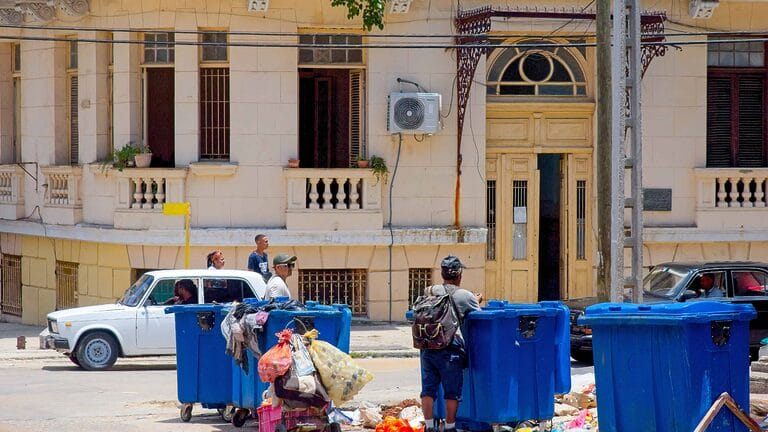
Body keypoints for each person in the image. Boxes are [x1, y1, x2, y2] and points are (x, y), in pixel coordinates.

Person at [419, 255, 483, 432]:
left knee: (428, 389)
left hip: (427, 345)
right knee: (452, 391)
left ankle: (430, 426)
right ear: (459, 274)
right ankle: (449, 426)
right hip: (450, 348)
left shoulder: (429, 291)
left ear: (442, 273)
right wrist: (476, 301)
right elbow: (479, 315)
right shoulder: (466, 295)